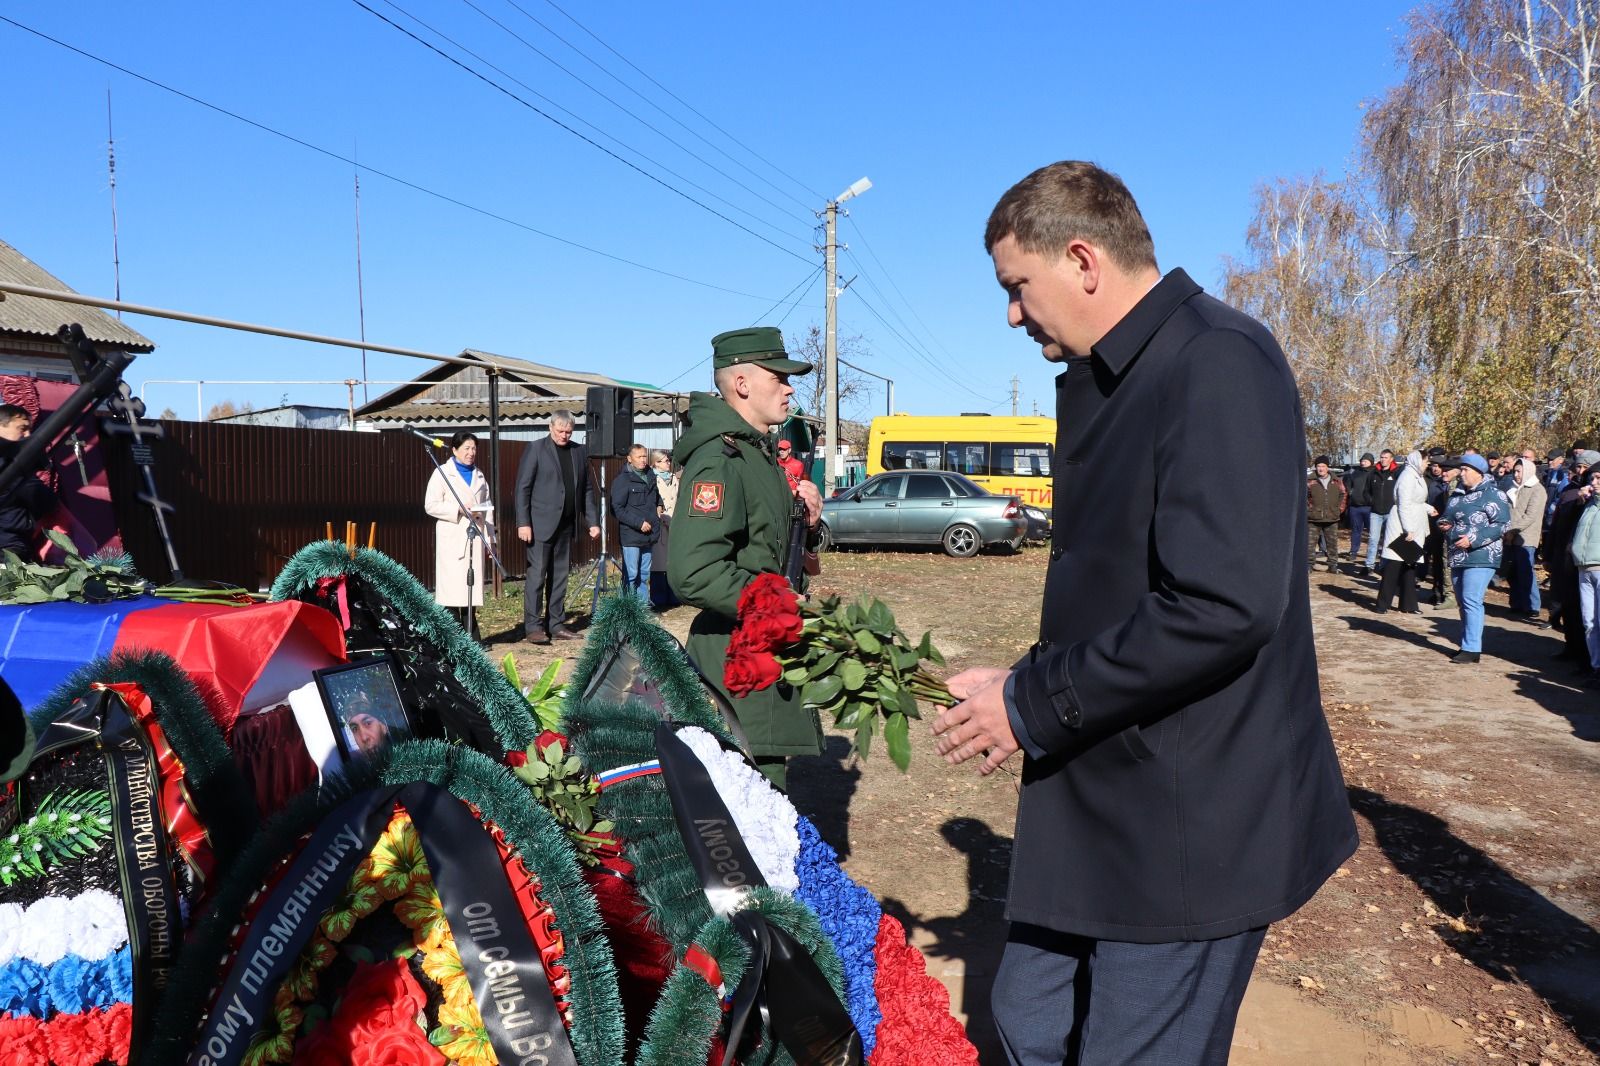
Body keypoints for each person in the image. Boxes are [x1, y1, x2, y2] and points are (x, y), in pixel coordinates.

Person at [932, 161, 1356, 1066]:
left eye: (1018, 288)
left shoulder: (1216, 361)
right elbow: (1124, 587)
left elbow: (1221, 605)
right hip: (1107, 791)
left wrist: (1030, 704)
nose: (1012, 314)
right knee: (1027, 1021)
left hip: (1186, 817)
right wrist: (1022, 681)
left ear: (1082, 259)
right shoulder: (1129, 370)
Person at [668, 326, 824, 790]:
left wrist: (808, 524)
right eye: (778, 376)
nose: (789, 386)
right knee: (752, 816)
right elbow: (694, 572)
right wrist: (777, 605)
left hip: (762, 647)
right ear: (742, 384)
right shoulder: (720, 459)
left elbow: (769, 552)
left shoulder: (759, 454)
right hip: (737, 660)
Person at [513, 411, 599, 644]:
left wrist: (592, 521)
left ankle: (556, 624)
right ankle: (533, 627)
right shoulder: (536, 449)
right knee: (537, 576)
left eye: (568, 431)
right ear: (550, 427)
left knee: (560, 577)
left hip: (566, 525)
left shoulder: (579, 452)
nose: (564, 435)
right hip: (539, 525)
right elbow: (523, 488)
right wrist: (523, 522)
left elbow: (587, 490)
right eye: (560, 431)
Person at [1436, 454, 1509, 664]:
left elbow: (1502, 524)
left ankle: (1472, 648)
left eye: (1466, 469)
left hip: (1482, 555)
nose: (1462, 473)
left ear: (1479, 472)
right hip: (1458, 554)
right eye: (1462, 469)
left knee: (1471, 599)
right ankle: (1467, 644)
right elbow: (1446, 518)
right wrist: (1443, 525)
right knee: (1462, 602)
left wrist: (1473, 539)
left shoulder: (1494, 494)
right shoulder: (1457, 494)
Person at [424, 431, 493, 634]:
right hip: (452, 537)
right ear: (454, 450)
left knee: (470, 588)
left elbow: (488, 508)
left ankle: (471, 632)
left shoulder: (479, 475)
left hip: (475, 536)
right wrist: (458, 510)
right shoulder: (442, 472)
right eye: (466, 448)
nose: (471, 453)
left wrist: (492, 541)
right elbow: (430, 505)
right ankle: (453, 635)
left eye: (474, 449)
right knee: (452, 590)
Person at [1376, 450, 1429, 614]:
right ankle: (1382, 605)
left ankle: (1409, 605)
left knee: (1409, 565)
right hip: (1402, 526)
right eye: (1426, 461)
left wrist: (1429, 508)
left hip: (1412, 523)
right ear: (1418, 460)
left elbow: (1417, 501)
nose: (1427, 464)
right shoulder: (1407, 477)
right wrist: (1409, 529)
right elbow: (1403, 504)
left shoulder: (1416, 476)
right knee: (1394, 566)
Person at [611, 443, 663, 605]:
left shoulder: (650, 475)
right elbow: (617, 509)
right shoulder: (623, 479)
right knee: (632, 574)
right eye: (639, 457)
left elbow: (655, 496)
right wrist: (639, 523)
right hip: (632, 535)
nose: (643, 460)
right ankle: (626, 609)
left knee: (644, 574)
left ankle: (642, 609)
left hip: (649, 534)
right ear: (629, 459)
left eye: (644, 456)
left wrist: (659, 505)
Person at [1566, 465, 1600, 685]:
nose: (1593, 482)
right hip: (1583, 568)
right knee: (1589, 622)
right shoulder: (1590, 505)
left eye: (1598, 478)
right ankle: (1596, 668)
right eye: (1593, 478)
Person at [0, 434, 55, 559]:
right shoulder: (11, 470)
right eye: (22, 429)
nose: (27, 435)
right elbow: (45, 501)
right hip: (8, 551)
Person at [1504, 457, 1545, 621]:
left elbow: (1530, 516)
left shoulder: (1538, 490)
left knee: (1526, 571)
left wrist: (1513, 531)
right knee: (1512, 572)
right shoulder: (1514, 489)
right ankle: (1517, 603)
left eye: (1519, 471)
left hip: (1526, 537)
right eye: (1514, 471)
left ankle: (1533, 606)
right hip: (1511, 535)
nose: (1516, 474)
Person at [1424, 455, 1456, 609]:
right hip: (1436, 528)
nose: (1442, 472)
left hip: (1450, 529)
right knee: (1437, 561)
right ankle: (1437, 592)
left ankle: (1448, 593)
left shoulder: (1458, 487)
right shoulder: (1435, 485)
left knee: (1447, 562)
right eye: (1442, 469)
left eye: (1447, 470)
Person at [1306, 455, 1346, 573]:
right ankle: (1309, 565)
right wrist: (1309, 510)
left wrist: (1339, 509)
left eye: (1323, 466)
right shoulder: (1309, 480)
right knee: (1310, 544)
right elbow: (1303, 497)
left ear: (1327, 467)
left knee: (1332, 544)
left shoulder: (1336, 481)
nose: (1321, 468)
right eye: (1318, 466)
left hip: (1332, 518)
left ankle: (1333, 565)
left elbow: (1343, 494)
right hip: (1313, 518)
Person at [1366, 449, 1401, 576]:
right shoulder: (1373, 473)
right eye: (1381, 457)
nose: (1383, 460)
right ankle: (1369, 565)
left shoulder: (1397, 472)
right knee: (1373, 539)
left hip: (1390, 512)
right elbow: (1367, 491)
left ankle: (1384, 566)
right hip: (1375, 512)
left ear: (1391, 459)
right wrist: (1372, 501)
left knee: (1388, 540)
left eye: (1386, 457)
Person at [1343, 452, 1376, 563]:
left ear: (1371, 462)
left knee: (1373, 532)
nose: (1363, 462)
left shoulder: (1375, 473)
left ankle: (1373, 553)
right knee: (1356, 531)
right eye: (1362, 460)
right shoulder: (1355, 473)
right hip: (1355, 507)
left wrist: (1372, 500)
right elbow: (1347, 484)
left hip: (1369, 508)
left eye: (1365, 461)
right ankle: (1353, 551)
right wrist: (1350, 492)